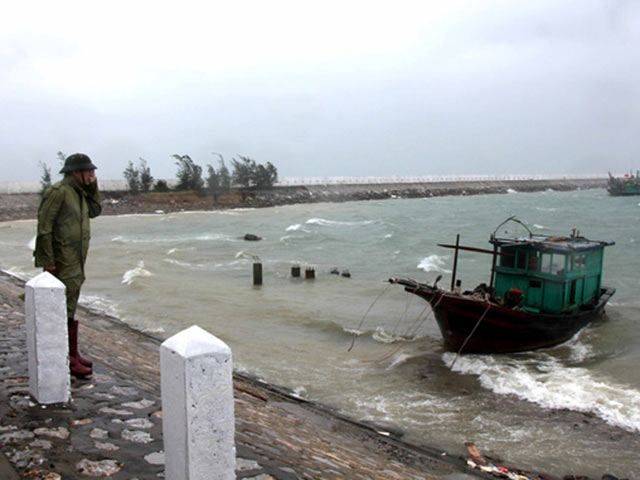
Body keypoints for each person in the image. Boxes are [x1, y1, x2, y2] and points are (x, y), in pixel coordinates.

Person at [34, 153, 102, 378]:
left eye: (93, 172)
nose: (93, 175)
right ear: (76, 172)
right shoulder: (59, 192)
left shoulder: (79, 193)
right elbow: (44, 227)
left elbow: (95, 211)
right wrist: (48, 263)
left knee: (71, 303)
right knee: (63, 307)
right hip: (61, 260)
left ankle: (72, 354)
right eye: (89, 172)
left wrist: (92, 187)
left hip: (76, 258)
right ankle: (68, 359)